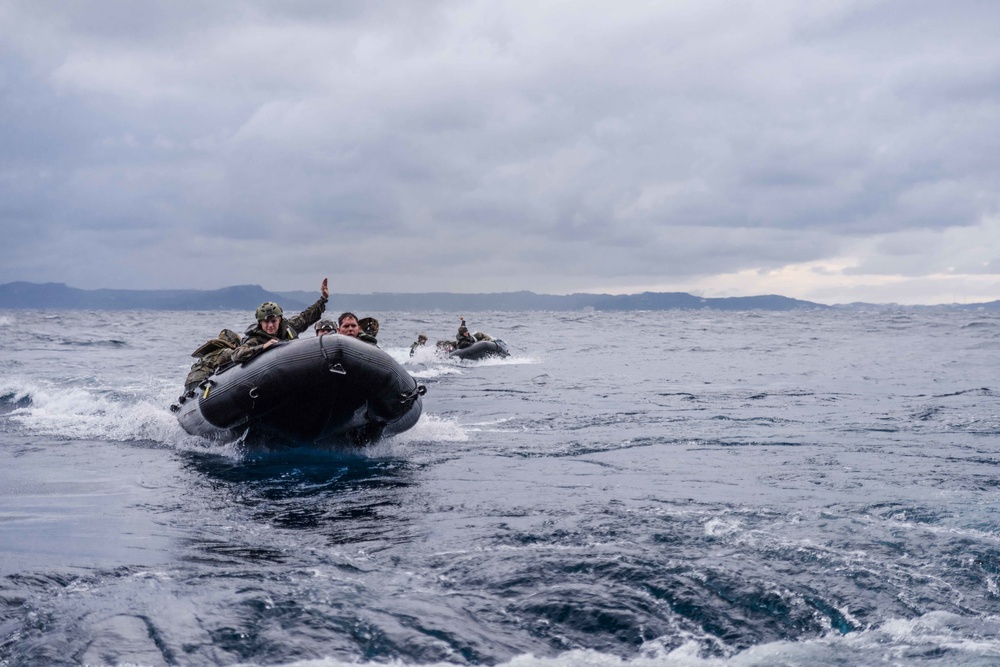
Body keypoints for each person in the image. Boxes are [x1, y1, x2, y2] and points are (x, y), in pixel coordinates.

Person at [232, 278, 329, 362]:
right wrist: (263, 347)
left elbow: (306, 316)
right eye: (266, 322)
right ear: (260, 323)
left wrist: (323, 298)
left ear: (280, 320)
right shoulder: (255, 340)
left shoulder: (289, 327)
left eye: (273, 321)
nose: (270, 325)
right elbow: (236, 355)